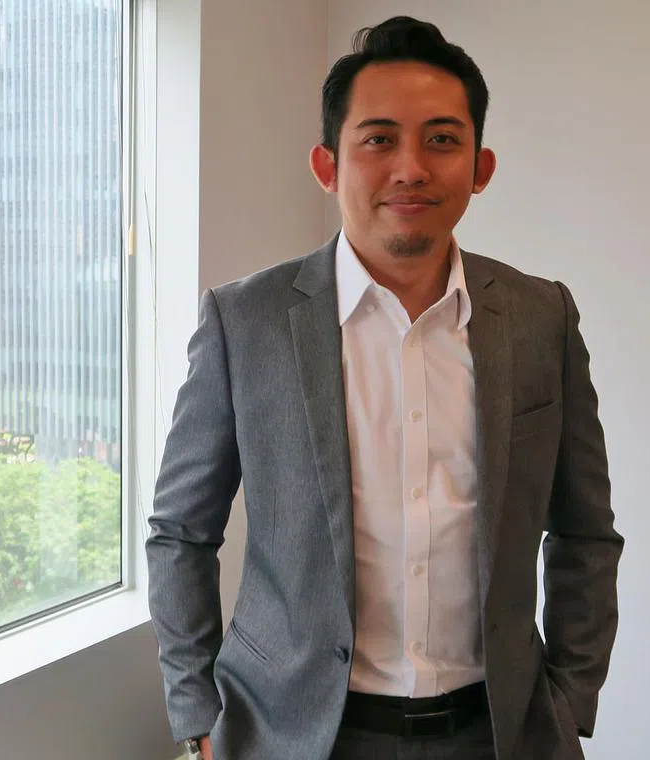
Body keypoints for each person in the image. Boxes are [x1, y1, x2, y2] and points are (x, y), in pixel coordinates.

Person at [146, 16, 623, 760]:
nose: (411, 168)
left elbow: (585, 533)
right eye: (378, 139)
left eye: (442, 140)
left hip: (497, 732)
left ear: (481, 167)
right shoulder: (246, 323)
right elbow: (181, 533)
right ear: (327, 165)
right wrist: (197, 714)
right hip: (295, 734)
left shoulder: (541, 318)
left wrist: (568, 700)